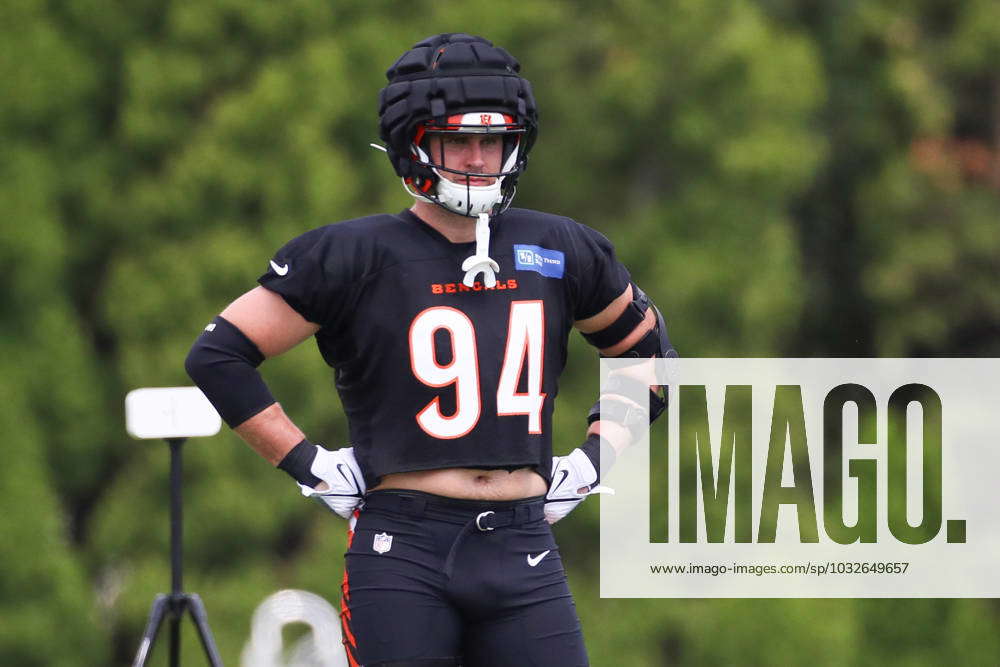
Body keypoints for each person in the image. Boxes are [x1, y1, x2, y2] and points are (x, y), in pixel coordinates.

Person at [186, 33, 674, 667]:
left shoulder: (560, 247)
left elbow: (650, 357)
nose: (477, 158)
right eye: (457, 140)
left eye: (492, 140)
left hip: (523, 543)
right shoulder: (353, 254)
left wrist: (592, 461)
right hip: (402, 546)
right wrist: (307, 464)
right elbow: (218, 355)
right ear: (413, 142)